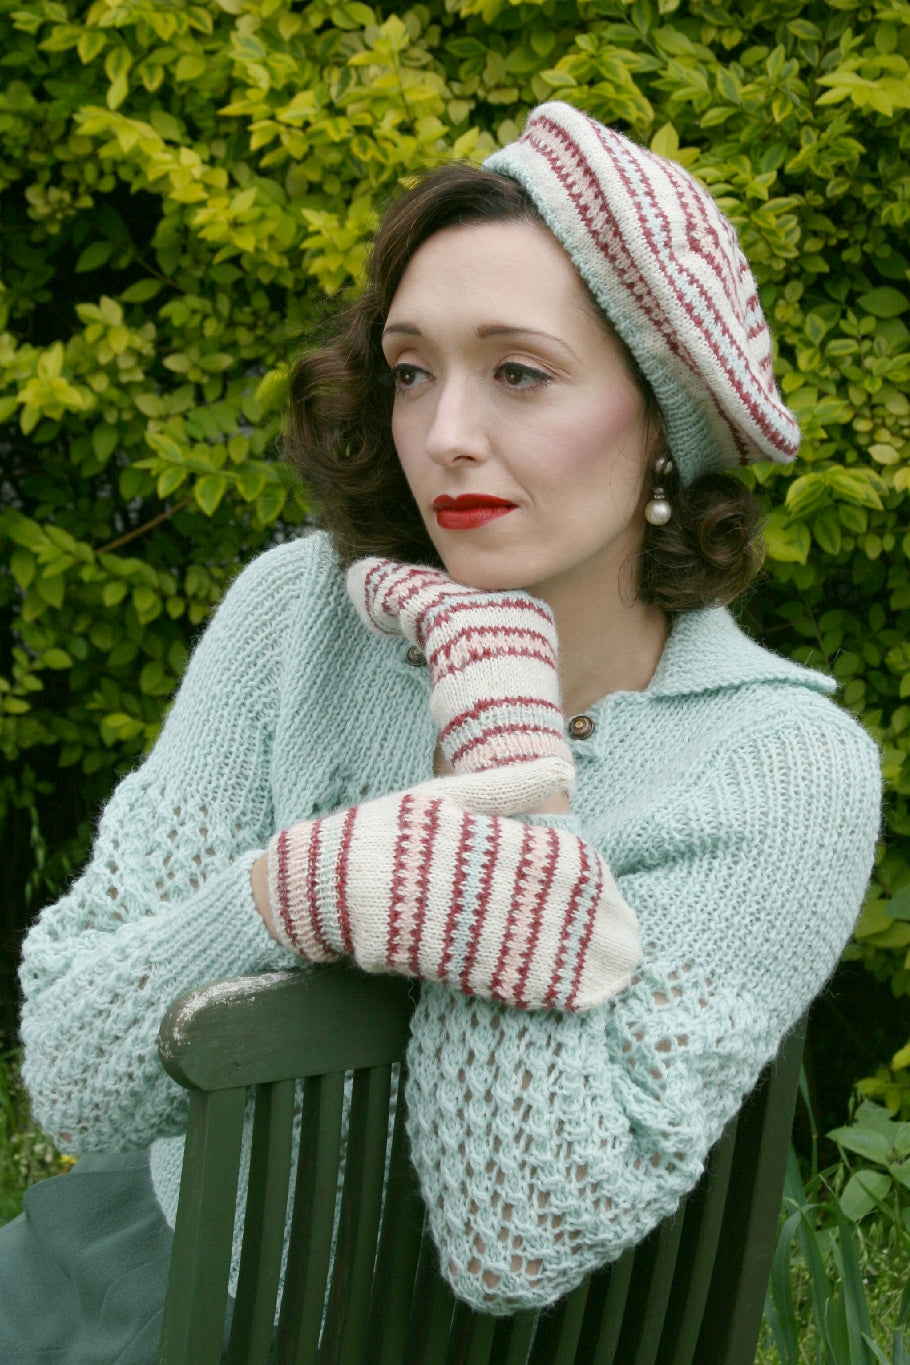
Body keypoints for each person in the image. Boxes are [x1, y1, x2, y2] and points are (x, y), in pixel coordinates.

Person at [3, 101, 881, 1356]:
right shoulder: (300, 615)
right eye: (413, 371)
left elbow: (510, 1233)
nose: (444, 434)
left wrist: (502, 732)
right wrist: (282, 897)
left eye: (519, 372)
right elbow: (76, 1079)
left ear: (663, 431)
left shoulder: (780, 768)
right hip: (150, 1276)